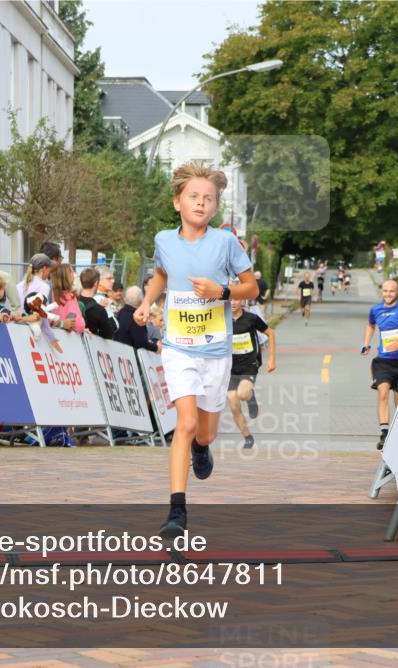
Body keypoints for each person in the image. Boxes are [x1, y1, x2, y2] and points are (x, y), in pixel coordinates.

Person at [132, 161, 257, 539]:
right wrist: (146, 303)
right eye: (193, 197)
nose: (201, 204)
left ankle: (202, 450)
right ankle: (176, 511)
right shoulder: (164, 241)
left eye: (209, 199)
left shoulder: (225, 243)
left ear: (216, 207)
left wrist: (222, 292)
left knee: (204, 434)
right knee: (184, 424)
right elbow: (163, 275)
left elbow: (251, 287)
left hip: (216, 350)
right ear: (177, 203)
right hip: (178, 348)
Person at [362, 279, 398, 450]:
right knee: (382, 392)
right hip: (384, 360)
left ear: (397, 292)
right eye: (385, 291)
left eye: (392, 291)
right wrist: (366, 343)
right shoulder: (376, 309)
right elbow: (370, 325)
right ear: (382, 291)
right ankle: (384, 432)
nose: (388, 294)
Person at [227, 297, 276, 449]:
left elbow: (271, 333)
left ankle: (250, 396)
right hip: (230, 367)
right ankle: (247, 437)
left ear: (242, 301)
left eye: (236, 300)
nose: (233, 302)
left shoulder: (251, 318)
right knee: (234, 405)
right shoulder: (222, 320)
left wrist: (272, 359)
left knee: (242, 393)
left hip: (249, 364)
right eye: (229, 300)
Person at [114, 286, 160, 352]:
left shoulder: (121, 312)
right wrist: (156, 347)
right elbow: (141, 342)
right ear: (140, 300)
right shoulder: (137, 317)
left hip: (118, 351)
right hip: (130, 356)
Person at [78, 267, 118, 338]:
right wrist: (106, 310)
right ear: (96, 283)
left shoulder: (73, 301)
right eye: (109, 279)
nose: (113, 281)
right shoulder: (99, 309)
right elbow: (110, 333)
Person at [50, 264, 85, 333]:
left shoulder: (53, 295)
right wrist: (82, 326)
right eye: (72, 272)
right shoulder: (70, 298)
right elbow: (78, 325)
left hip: (55, 334)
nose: (74, 275)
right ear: (67, 277)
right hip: (69, 338)